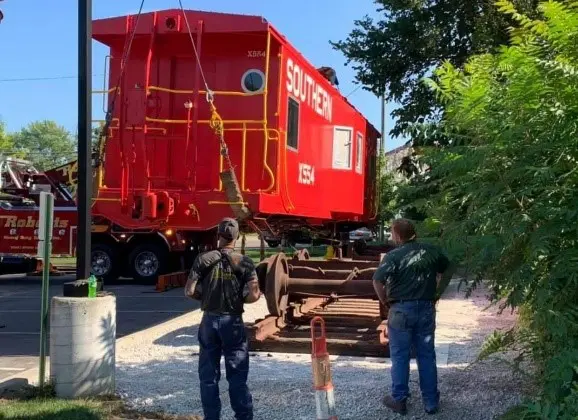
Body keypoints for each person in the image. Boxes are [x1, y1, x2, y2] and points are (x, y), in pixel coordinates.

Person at [185, 217, 262, 420]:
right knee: (237, 376)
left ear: (218, 235)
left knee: (208, 377)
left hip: (209, 321)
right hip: (233, 323)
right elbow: (254, 294)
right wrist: (240, 299)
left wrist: (205, 298)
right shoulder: (244, 262)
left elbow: (189, 290)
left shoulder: (203, 259)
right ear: (236, 238)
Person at [372, 218, 449, 415]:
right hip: (425, 308)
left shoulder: (393, 256)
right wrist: (438, 293)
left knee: (400, 356)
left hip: (400, 310)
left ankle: (399, 400)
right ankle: (431, 402)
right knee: (426, 355)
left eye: (391, 233)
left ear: (397, 235)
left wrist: (386, 302)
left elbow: (377, 280)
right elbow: (447, 270)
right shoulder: (431, 251)